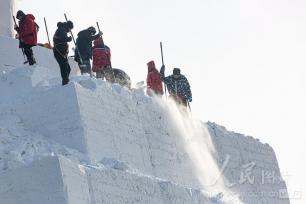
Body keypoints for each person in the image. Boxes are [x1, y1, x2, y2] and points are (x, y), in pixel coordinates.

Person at [53, 21, 74, 85]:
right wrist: (69, 39)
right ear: (68, 27)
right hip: (59, 52)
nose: (70, 31)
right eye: (70, 29)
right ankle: (65, 82)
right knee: (64, 67)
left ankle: (65, 81)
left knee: (67, 68)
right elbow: (63, 38)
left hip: (61, 52)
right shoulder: (62, 29)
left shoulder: (61, 29)